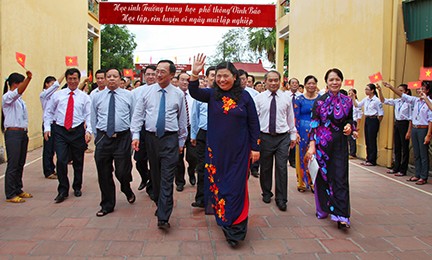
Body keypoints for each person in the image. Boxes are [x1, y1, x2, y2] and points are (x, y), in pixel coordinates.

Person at [189, 54, 260, 247]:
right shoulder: (212, 95)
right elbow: (194, 91)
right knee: (219, 187)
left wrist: (256, 147)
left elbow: (254, 122)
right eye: (218, 76)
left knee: (237, 188)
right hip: (216, 153)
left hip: (239, 152)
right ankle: (225, 222)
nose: (221, 79)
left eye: (225, 76)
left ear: (234, 77)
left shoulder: (245, 97)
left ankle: (237, 229)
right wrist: (195, 73)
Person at [131, 60, 188, 230]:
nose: (158, 74)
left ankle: (163, 216)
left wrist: (181, 141)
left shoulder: (178, 94)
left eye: (163, 71)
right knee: (155, 176)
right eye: (157, 71)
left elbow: (182, 120)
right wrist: (135, 135)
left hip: (170, 139)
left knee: (167, 177)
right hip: (151, 139)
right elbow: (138, 115)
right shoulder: (146, 92)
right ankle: (159, 202)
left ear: (171, 75)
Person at [305, 68, 355, 229]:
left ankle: (342, 215)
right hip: (322, 145)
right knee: (323, 177)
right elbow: (314, 124)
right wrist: (312, 145)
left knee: (340, 177)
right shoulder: (319, 101)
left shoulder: (347, 100)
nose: (334, 82)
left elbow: (350, 120)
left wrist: (349, 126)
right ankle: (324, 209)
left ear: (341, 81)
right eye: (331, 79)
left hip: (340, 144)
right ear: (326, 82)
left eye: (337, 79)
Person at [91, 68, 136, 217]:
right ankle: (107, 205)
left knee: (122, 171)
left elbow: (134, 116)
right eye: (108, 76)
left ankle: (126, 188)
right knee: (103, 172)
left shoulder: (129, 96)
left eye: (114, 76)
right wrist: (97, 137)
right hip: (104, 138)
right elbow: (93, 117)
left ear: (120, 79)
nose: (111, 79)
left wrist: (133, 136)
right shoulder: (97, 97)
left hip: (122, 137)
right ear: (104, 79)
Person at [44, 68, 92, 203]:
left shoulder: (84, 97)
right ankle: (63, 189)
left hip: (77, 131)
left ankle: (77, 186)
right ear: (66, 79)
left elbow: (89, 116)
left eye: (75, 79)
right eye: (70, 79)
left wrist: (89, 131)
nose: (72, 81)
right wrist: (47, 127)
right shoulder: (57, 95)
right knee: (61, 160)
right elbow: (49, 112)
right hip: (60, 131)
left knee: (78, 160)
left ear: (78, 80)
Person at [254, 70, 297, 211]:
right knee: (265, 167)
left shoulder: (286, 98)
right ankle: (266, 192)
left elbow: (290, 118)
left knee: (281, 168)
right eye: (270, 80)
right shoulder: (259, 98)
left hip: (282, 137)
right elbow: (254, 120)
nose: (273, 83)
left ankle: (281, 199)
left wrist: (292, 135)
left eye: (276, 80)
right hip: (265, 137)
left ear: (280, 81)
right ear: (265, 82)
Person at [383, 81, 432, 185]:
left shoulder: (429, 101)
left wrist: (428, 134)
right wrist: (391, 87)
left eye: (423, 89)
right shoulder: (415, 101)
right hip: (414, 128)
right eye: (420, 89)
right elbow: (402, 95)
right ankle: (417, 174)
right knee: (416, 153)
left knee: (423, 153)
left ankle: (423, 176)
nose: (420, 91)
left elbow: (430, 119)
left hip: (423, 129)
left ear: (427, 90)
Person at [2, 71, 33, 203]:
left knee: (20, 163)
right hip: (13, 133)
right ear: (15, 84)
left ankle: (18, 188)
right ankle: (10, 193)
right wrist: (29, 78)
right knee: (13, 164)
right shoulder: (8, 97)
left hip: (21, 133)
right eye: (22, 84)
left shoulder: (20, 101)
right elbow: (18, 92)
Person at [190, 66, 216, 209]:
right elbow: (195, 116)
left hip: (218, 136)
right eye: (211, 75)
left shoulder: (223, 95)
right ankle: (201, 198)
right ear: (206, 78)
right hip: (203, 134)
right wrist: (193, 135)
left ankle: (216, 197)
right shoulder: (200, 95)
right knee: (202, 167)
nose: (214, 78)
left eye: (216, 75)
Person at [376, 84, 412, 176]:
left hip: (405, 124)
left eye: (401, 90)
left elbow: (411, 118)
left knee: (404, 147)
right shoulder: (397, 101)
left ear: (406, 92)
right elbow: (383, 100)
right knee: (397, 146)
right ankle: (396, 167)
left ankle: (403, 169)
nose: (399, 92)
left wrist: (409, 131)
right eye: (398, 90)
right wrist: (380, 90)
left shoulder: (410, 102)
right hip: (397, 123)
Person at [132, 65, 157, 196]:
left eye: (153, 74)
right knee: (139, 160)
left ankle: (152, 186)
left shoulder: (161, 90)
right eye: (148, 74)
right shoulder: (136, 92)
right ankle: (144, 176)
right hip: (140, 129)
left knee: (154, 160)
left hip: (154, 129)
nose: (151, 77)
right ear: (144, 76)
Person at [293, 75, 320, 193]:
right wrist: (295, 132)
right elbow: (295, 116)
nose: (311, 86)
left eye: (313, 83)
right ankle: (302, 182)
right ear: (304, 85)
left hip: (317, 131)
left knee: (315, 156)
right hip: (302, 130)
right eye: (309, 83)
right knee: (301, 156)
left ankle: (314, 182)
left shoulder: (320, 99)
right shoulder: (299, 100)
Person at [175, 72, 197, 191]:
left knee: (193, 156)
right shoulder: (174, 94)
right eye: (182, 80)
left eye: (187, 80)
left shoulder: (194, 95)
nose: (185, 82)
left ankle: (192, 171)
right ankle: (180, 181)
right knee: (178, 157)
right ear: (177, 81)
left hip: (191, 128)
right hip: (177, 130)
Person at [40, 74, 64, 179]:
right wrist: (64, 74)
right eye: (51, 83)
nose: (54, 86)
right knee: (48, 148)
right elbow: (56, 86)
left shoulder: (55, 96)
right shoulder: (44, 95)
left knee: (54, 148)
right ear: (46, 84)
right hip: (48, 124)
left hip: (55, 124)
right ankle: (48, 171)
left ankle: (52, 168)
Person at [354, 83, 384, 166]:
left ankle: (372, 159)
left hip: (373, 119)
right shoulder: (366, 99)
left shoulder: (376, 100)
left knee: (372, 140)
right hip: (367, 119)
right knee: (368, 140)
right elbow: (358, 105)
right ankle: (368, 158)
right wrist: (353, 97)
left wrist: (377, 123)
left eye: (367, 89)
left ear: (372, 90)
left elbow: (381, 114)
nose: (365, 91)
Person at [287, 78, 302, 168]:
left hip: (297, 120)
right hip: (287, 120)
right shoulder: (285, 95)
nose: (294, 85)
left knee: (295, 139)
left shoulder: (301, 96)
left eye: (296, 83)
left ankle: (293, 160)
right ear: (289, 85)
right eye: (292, 83)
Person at [347, 89, 362, 159]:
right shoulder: (348, 103)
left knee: (352, 138)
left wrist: (358, 125)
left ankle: (353, 153)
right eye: (348, 93)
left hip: (354, 121)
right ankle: (349, 151)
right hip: (349, 121)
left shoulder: (356, 103)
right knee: (348, 138)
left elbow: (359, 115)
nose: (349, 95)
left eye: (351, 94)